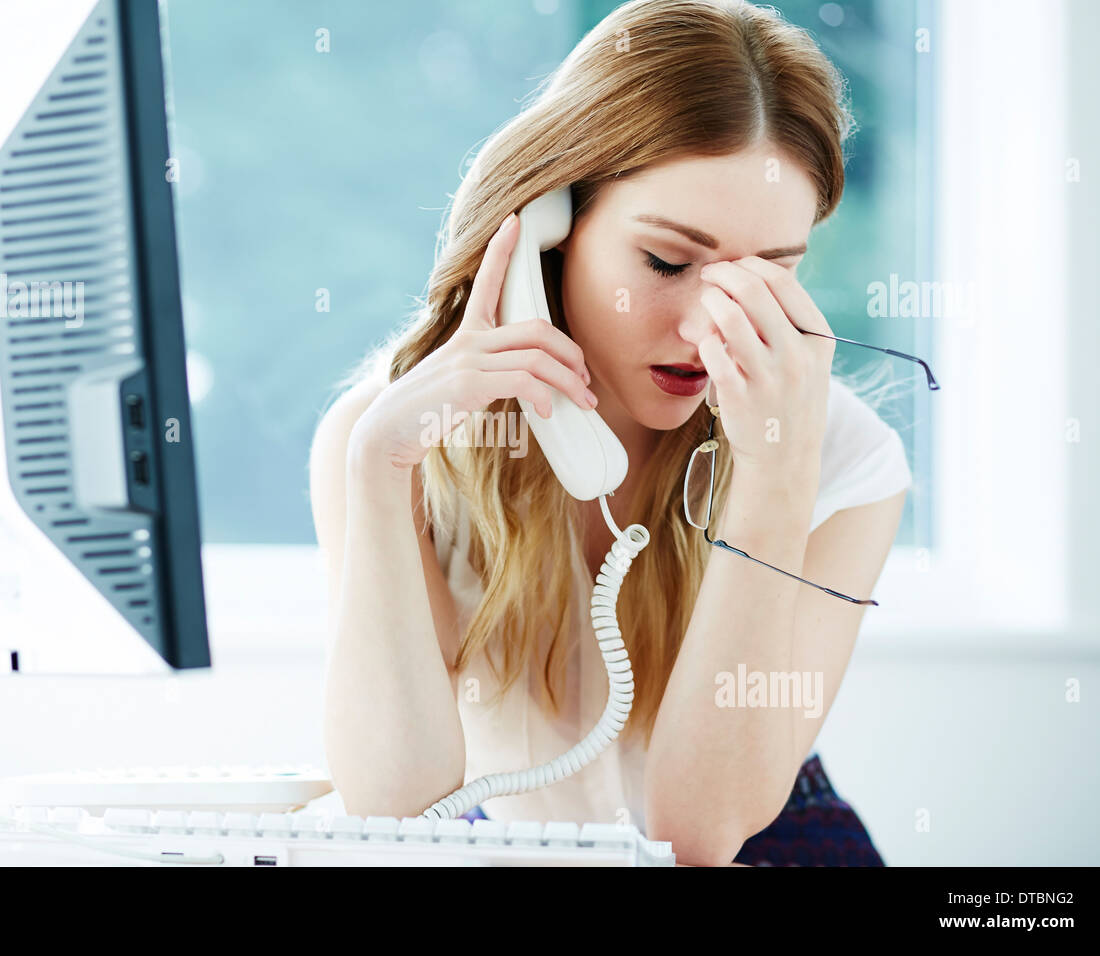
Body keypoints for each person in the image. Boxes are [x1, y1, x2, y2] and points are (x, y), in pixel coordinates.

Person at [309, 0, 910, 867]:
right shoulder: (394, 441)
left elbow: (698, 836)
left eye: (769, 277)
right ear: (550, 227)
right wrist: (375, 472)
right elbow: (394, 805)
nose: (711, 327)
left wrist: (775, 478)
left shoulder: (846, 461)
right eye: (667, 263)